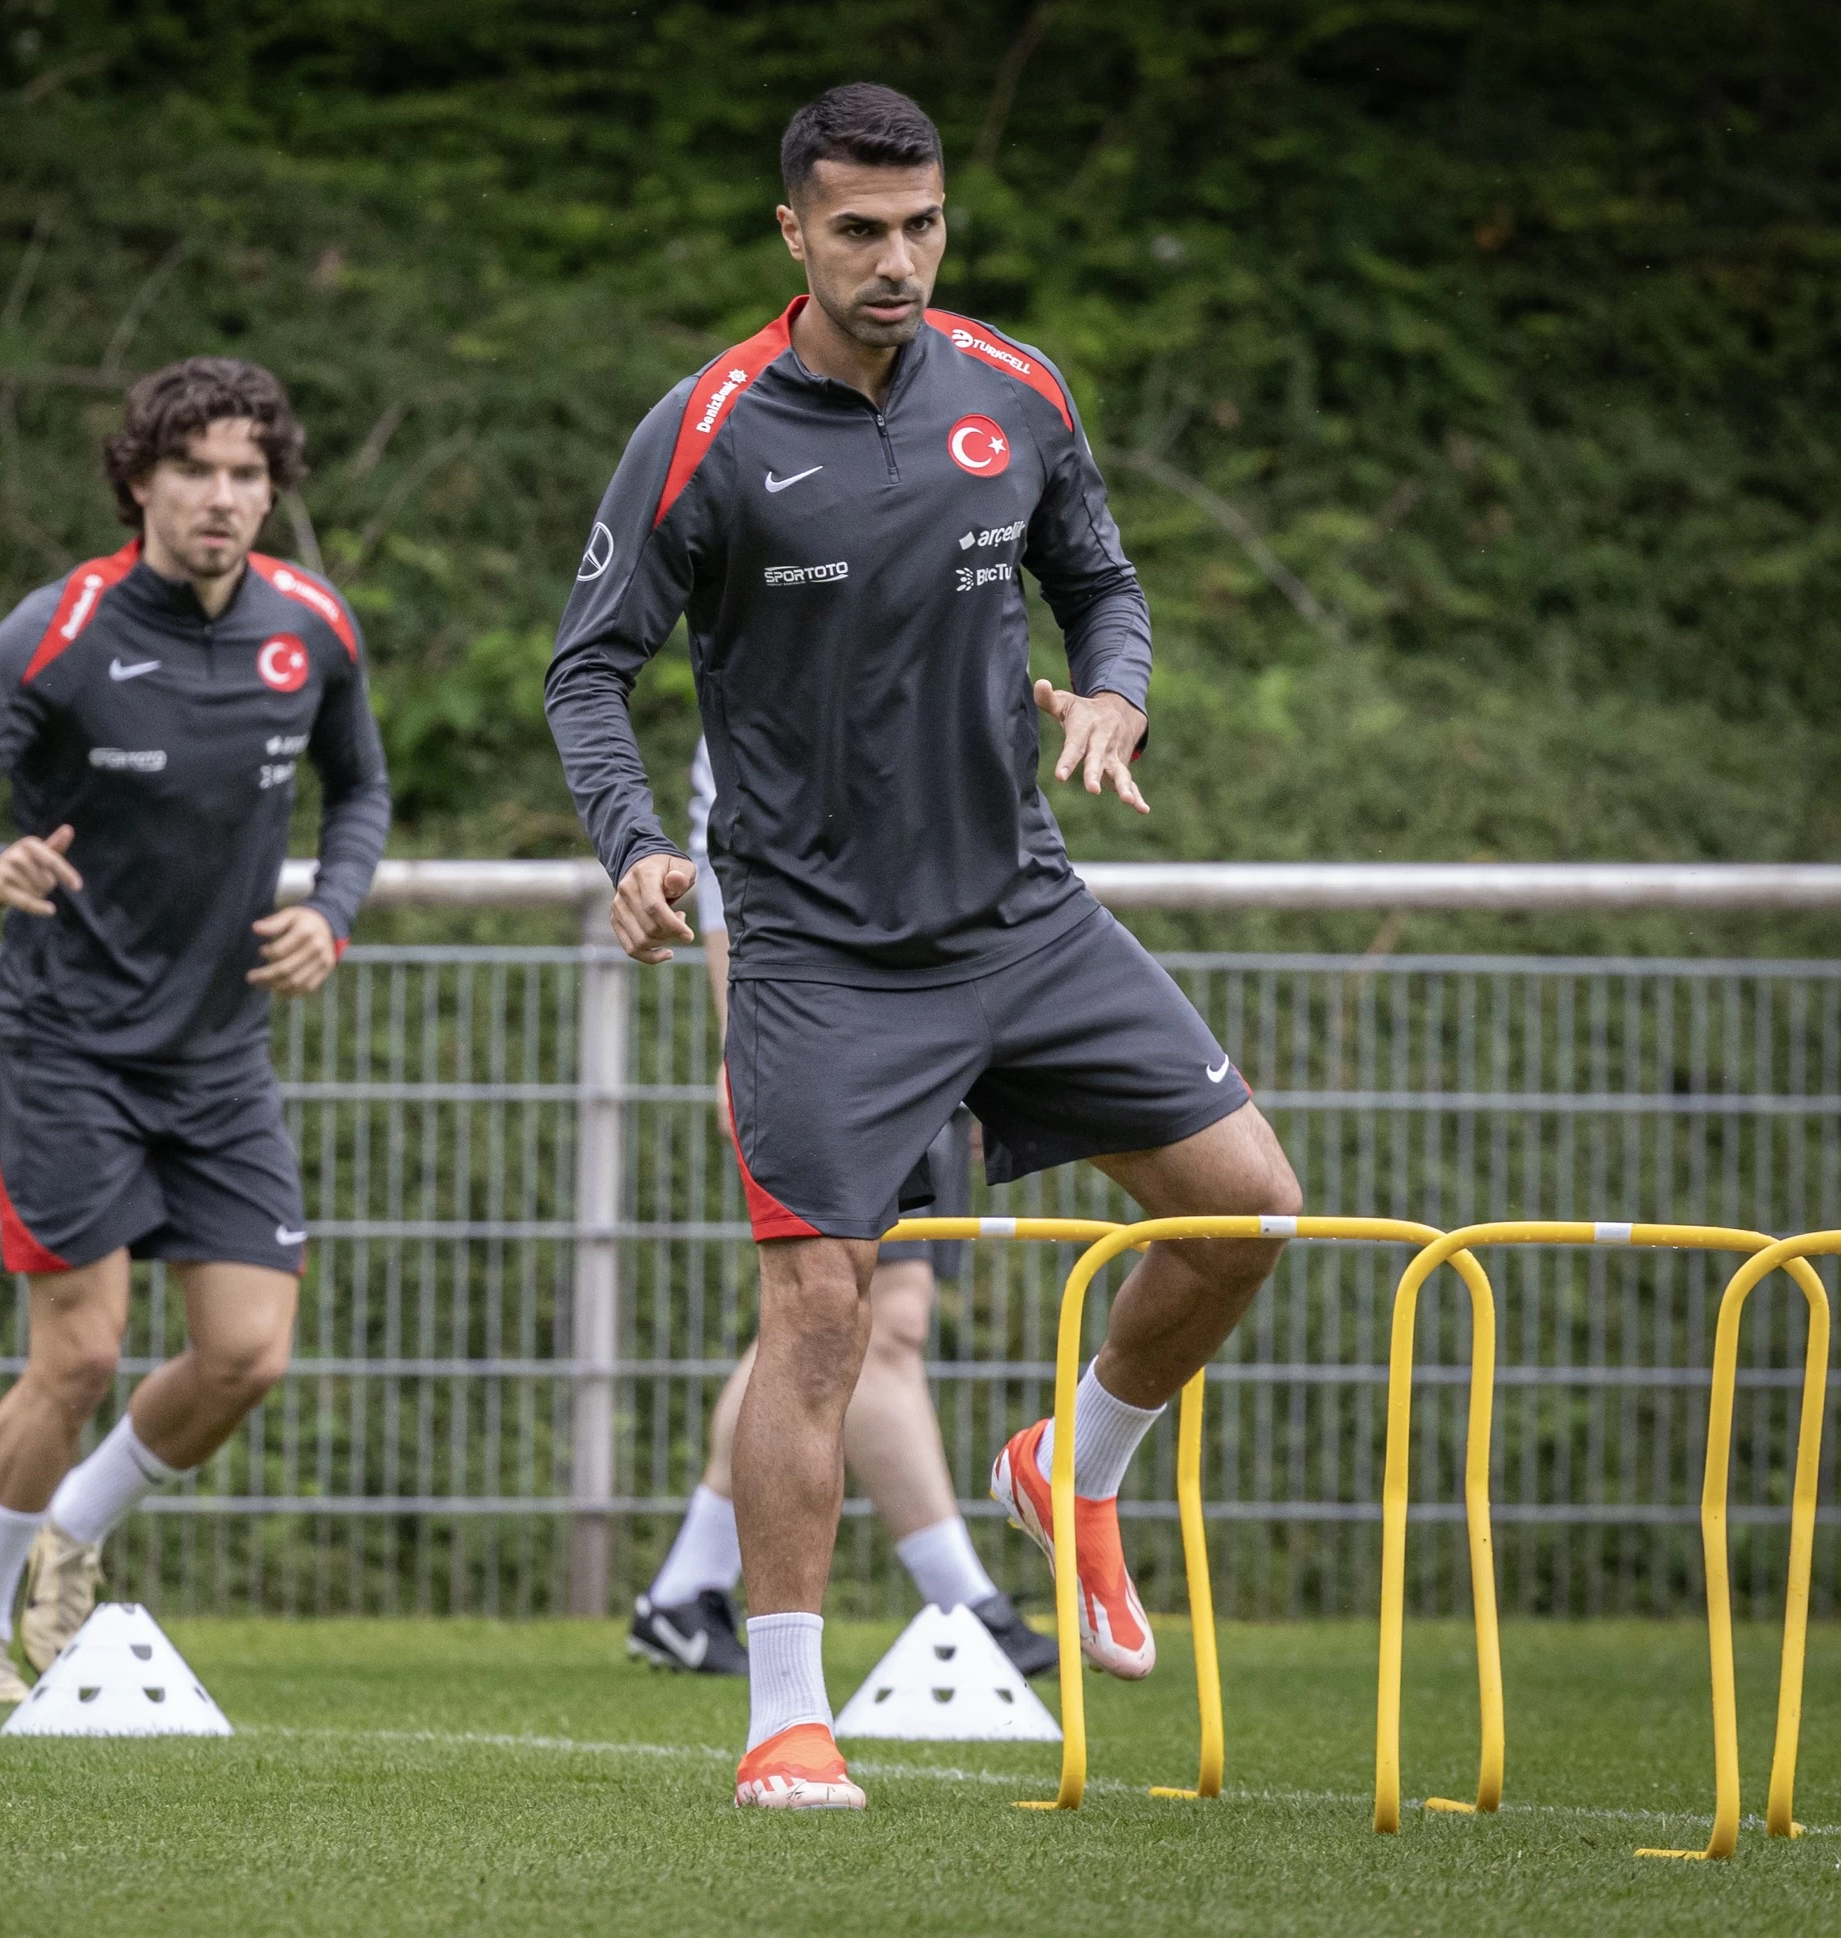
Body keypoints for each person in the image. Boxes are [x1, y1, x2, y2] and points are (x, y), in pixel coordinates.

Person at [544, 83, 1302, 1812]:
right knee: (821, 1311)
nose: (899, 260)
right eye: (862, 230)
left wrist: (1113, 686)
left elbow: (1099, 579)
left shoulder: (1013, 388)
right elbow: (587, 666)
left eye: (925, 224)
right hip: (813, 951)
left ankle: (1073, 1461)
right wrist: (638, 844)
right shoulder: (707, 427)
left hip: (1024, 916)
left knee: (1244, 1207)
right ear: (792, 235)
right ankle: (784, 1711)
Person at [0, 357, 390, 1704]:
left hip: (219, 1052)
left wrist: (334, 911)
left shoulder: (312, 627)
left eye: (248, 474)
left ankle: (76, 1526)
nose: (222, 498)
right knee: (75, 1351)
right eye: (195, 471)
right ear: (140, 481)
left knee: (250, 1350)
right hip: (67, 1043)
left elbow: (360, 789)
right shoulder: (56, 629)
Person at [628, 744, 1056, 1683]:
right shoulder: (766, 640)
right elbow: (729, 863)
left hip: (926, 1010)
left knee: (831, 1316)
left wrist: (989, 1055)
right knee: (869, 1317)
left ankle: (684, 1588)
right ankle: (965, 1604)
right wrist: (744, 1046)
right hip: (829, 1029)